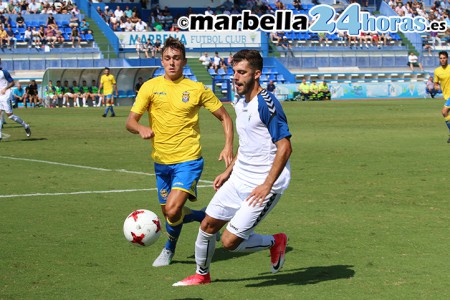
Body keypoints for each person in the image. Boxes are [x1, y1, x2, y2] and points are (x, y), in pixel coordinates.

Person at [173, 49, 292, 286]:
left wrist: (266, 185)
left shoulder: (267, 105)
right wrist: (228, 171)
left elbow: (285, 148)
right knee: (208, 225)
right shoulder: (239, 101)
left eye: (242, 72)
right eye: (234, 72)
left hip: (263, 184)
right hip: (239, 177)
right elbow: (249, 144)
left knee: (228, 242)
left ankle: (275, 241)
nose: (236, 77)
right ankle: (202, 275)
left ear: (256, 74)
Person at [125, 37, 234, 268]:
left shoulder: (196, 89)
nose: (172, 63)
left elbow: (225, 117)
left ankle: (168, 250)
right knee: (170, 213)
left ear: (184, 61)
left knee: (173, 210)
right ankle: (207, 217)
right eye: (167, 58)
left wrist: (227, 146)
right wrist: (140, 127)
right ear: (162, 61)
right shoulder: (150, 87)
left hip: (188, 160)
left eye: (176, 58)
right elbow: (130, 121)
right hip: (161, 162)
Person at [0, 59, 31, 142]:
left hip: (6, 95)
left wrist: (5, 88)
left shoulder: (4, 72)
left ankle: (25, 125)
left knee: (10, 116)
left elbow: (12, 83)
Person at [433, 51, 450, 142]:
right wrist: (436, 87)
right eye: (441, 58)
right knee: (446, 114)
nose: (442, 60)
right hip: (447, 96)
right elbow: (436, 83)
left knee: (444, 112)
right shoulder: (437, 71)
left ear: (447, 58)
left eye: (444, 58)